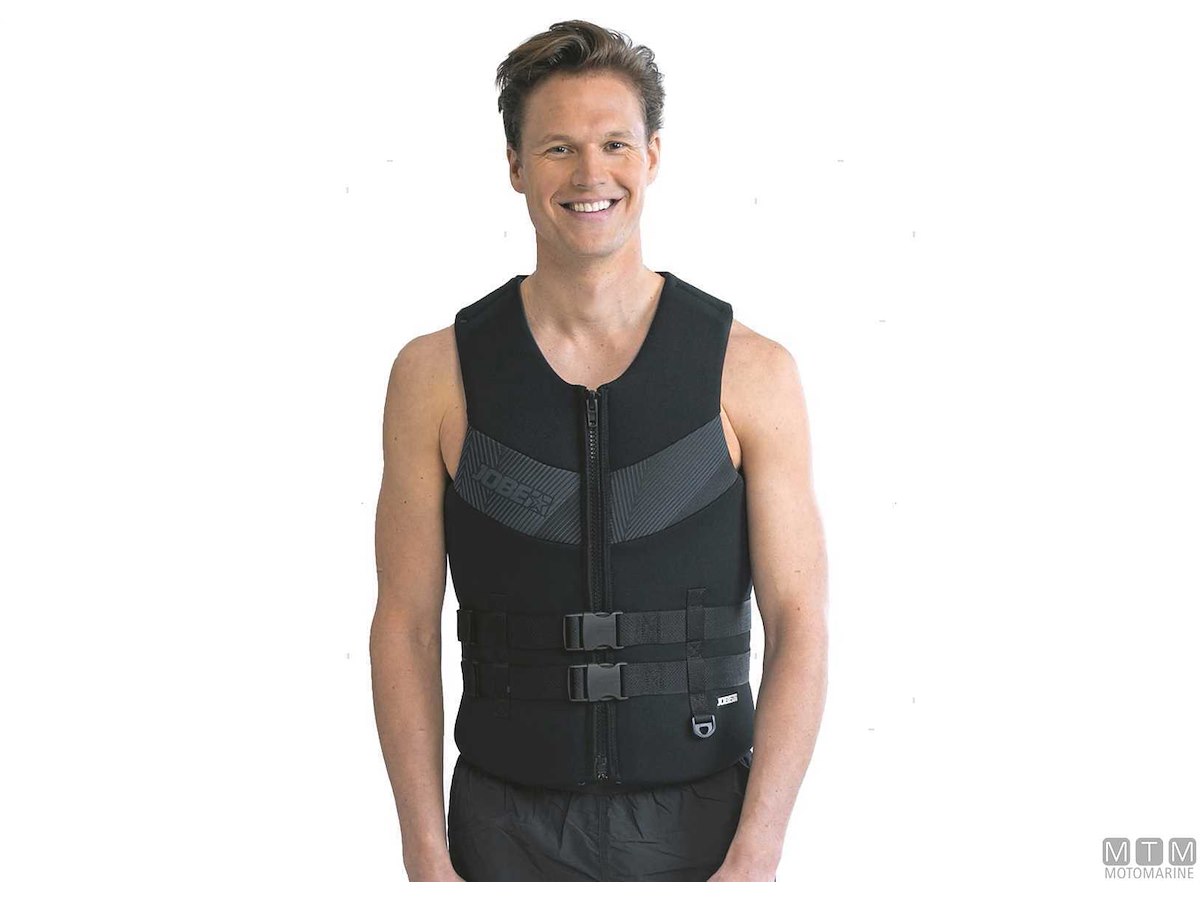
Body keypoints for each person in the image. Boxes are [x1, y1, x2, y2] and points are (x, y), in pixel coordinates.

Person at [370, 19, 828, 882]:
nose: (591, 175)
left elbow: (800, 619)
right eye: (558, 148)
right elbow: (404, 625)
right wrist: (426, 857)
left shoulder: (752, 373)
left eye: (614, 143)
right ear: (515, 166)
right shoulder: (435, 376)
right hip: (501, 824)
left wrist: (757, 853)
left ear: (651, 155)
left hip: (702, 822)